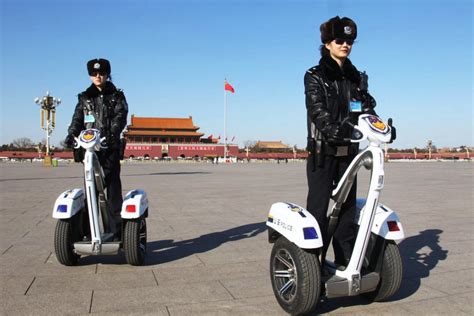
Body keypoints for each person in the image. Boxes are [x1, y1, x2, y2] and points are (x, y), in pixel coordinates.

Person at [305, 16, 395, 267]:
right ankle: (313, 263)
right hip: (323, 152)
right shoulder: (315, 76)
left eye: (350, 41)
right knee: (319, 207)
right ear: (327, 44)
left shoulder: (356, 78)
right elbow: (317, 110)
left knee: (346, 210)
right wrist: (336, 131)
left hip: (349, 154)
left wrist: (380, 126)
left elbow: (365, 108)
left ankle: (346, 260)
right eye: (340, 40)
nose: (345, 45)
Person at [65, 58, 128, 236]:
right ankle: (88, 232)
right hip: (90, 149)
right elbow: (77, 119)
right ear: (90, 75)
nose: (98, 76)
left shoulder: (117, 96)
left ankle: (117, 232)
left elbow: (120, 116)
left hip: (110, 148)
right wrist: (71, 134)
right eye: (94, 73)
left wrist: (113, 134)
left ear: (108, 74)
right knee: (90, 190)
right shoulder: (84, 97)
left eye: (101, 73)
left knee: (113, 191)